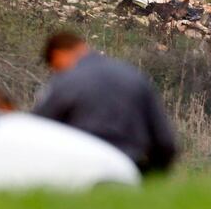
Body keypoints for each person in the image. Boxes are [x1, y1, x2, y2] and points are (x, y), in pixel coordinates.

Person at [33, 32, 177, 173]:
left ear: (59, 54)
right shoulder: (134, 77)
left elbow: (37, 130)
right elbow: (164, 141)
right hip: (130, 167)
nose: (56, 72)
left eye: (55, 66)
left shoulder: (65, 82)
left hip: (81, 170)